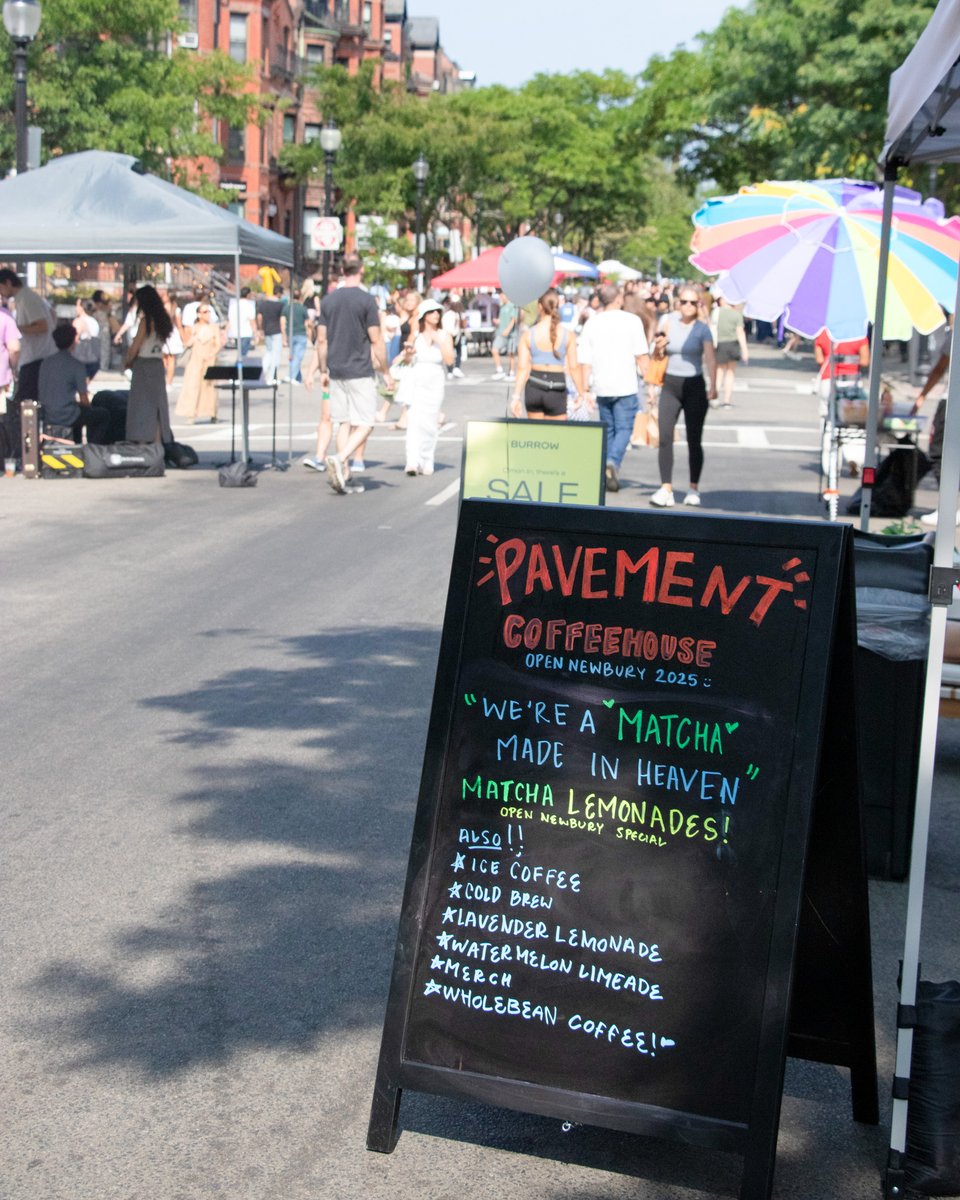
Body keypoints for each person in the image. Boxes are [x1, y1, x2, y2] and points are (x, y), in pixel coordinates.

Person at [305, 254, 394, 494]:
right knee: (366, 422)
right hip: (359, 369)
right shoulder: (366, 300)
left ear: (342, 270)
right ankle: (341, 457)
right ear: (361, 270)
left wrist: (322, 370)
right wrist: (386, 371)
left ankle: (344, 474)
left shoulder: (329, 300)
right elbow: (376, 339)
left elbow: (321, 339)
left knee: (343, 422)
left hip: (336, 369)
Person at [577, 282, 650, 492]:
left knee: (607, 430)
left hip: (601, 384)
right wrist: (651, 383)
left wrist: (584, 390)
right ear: (618, 299)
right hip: (625, 383)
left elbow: (585, 362)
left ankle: (606, 466)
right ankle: (612, 461)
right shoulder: (632, 321)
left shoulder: (592, 323)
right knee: (625, 428)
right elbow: (642, 357)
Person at [649, 287, 717, 507]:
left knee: (694, 440)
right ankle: (666, 487)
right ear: (677, 302)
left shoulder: (702, 329)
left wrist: (714, 385)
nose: (688, 306)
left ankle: (693, 487)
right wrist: (658, 348)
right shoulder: (667, 321)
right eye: (684, 302)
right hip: (670, 384)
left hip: (694, 385)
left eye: (692, 303)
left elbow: (710, 357)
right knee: (665, 436)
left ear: (699, 305)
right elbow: (657, 353)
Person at [510, 288, 584, 422]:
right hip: (557, 387)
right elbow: (574, 367)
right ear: (558, 306)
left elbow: (522, 368)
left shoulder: (528, 335)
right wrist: (581, 393)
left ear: (539, 307)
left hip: (534, 386)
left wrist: (516, 397)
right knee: (557, 437)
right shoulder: (568, 335)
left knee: (536, 437)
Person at [913, 329, 958, 526]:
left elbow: (940, 367)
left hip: (952, 402)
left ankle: (947, 508)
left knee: (939, 453)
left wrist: (922, 395)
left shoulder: (957, 333)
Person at [404, 298, 454, 476]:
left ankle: (427, 459)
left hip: (435, 379)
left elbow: (449, 361)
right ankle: (412, 461)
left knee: (430, 422)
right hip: (417, 378)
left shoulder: (444, 335)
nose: (435, 315)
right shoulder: (416, 334)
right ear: (424, 315)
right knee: (414, 420)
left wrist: (438, 342)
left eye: (437, 312)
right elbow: (407, 359)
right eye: (432, 311)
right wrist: (408, 354)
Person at [38, 324, 111, 445]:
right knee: (102, 415)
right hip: (67, 415)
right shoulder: (76, 365)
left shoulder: (45, 363)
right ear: (73, 341)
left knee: (79, 412)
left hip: (47, 413)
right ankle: (92, 448)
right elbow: (84, 398)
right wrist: (87, 406)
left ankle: (76, 444)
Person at [123, 285, 174, 444]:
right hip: (157, 363)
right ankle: (158, 442)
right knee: (157, 405)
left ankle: (143, 440)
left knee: (141, 406)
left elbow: (136, 346)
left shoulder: (146, 321)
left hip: (144, 364)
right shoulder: (163, 319)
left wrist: (128, 361)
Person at [0, 268, 56, 405]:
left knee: (25, 405)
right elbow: (52, 316)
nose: (0, 292)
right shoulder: (25, 298)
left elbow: (42, 326)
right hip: (34, 357)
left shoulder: (27, 298)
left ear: (7, 283)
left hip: (35, 358)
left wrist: (17, 328)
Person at [175, 302, 226, 423]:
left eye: (208, 312)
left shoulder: (214, 327)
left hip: (209, 360)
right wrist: (180, 328)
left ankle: (213, 413)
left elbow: (218, 344)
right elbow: (188, 342)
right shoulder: (194, 328)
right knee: (193, 387)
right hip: (195, 361)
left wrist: (212, 354)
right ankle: (191, 414)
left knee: (210, 388)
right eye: (204, 312)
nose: (207, 314)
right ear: (198, 314)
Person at [713, 296, 749, 409]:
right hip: (733, 344)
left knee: (719, 372)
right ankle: (727, 400)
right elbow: (740, 333)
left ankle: (715, 397)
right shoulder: (736, 314)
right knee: (730, 373)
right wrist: (745, 350)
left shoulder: (717, 312)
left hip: (720, 344)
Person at [257, 286, 286, 385]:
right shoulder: (280, 305)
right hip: (276, 330)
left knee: (268, 353)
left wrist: (260, 329)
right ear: (279, 294)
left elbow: (259, 317)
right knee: (276, 355)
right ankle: (272, 377)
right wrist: (284, 334)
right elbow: (282, 320)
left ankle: (261, 373)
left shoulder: (264, 304)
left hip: (267, 330)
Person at [281, 286, 310, 384]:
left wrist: (284, 336)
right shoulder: (303, 308)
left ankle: (297, 377)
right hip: (301, 334)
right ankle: (291, 376)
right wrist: (310, 335)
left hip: (291, 334)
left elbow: (282, 322)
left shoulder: (287, 308)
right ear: (300, 297)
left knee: (293, 356)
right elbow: (307, 323)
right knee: (298, 357)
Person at [71, 299, 101, 383]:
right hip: (94, 357)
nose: (76, 308)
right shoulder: (94, 321)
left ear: (82, 307)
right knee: (84, 386)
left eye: (77, 305)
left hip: (80, 358)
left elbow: (74, 339)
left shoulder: (79, 321)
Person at [491, 292, 519, 380]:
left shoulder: (512, 306)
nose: (501, 297)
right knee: (494, 350)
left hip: (511, 334)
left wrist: (508, 329)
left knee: (511, 353)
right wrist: (497, 321)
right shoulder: (502, 306)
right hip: (501, 333)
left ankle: (511, 372)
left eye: (502, 295)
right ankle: (499, 370)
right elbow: (502, 319)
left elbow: (513, 319)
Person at [442, 290, 466, 379]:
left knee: (455, 352)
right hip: (450, 335)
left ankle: (453, 369)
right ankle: (452, 369)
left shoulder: (454, 314)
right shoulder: (451, 314)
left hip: (454, 334)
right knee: (452, 352)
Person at [227, 286, 257, 358]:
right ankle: (239, 367)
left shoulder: (233, 305)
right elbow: (252, 321)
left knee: (240, 353)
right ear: (248, 295)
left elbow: (229, 320)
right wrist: (255, 333)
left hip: (235, 332)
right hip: (246, 333)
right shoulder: (249, 306)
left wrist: (226, 332)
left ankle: (238, 366)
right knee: (243, 355)